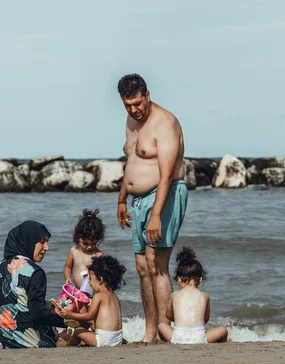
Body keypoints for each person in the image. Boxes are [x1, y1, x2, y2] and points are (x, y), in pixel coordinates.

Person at [116, 73, 188, 343]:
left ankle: (165, 330)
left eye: (138, 103)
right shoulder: (131, 121)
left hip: (164, 195)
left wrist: (156, 214)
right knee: (141, 266)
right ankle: (150, 333)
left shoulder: (165, 123)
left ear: (148, 95)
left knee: (156, 264)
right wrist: (122, 198)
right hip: (137, 200)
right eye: (127, 105)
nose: (134, 110)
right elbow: (132, 161)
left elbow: (167, 175)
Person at [0, 220, 67, 348]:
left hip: (2, 340)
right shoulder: (34, 271)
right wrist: (69, 321)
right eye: (42, 242)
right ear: (29, 241)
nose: (47, 248)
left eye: (47, 242)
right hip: (27, 342)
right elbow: (37, 314)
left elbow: (16, 300)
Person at [157, 247, 229, 344]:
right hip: (200, 338)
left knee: (161, 325)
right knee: (223, 330)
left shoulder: (174, 295)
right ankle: (221, 343)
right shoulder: (204, 296)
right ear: (200, 279)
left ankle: (167, 341)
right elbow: (205, 319)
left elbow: (168, 315)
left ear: (179, 279)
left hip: (178, 337)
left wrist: (180, 319)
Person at [59, 255, 126, 347]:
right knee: (92, 325)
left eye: (90, 278)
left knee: (78, 331)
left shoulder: (99, 296)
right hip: (117, 339)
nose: (89, 282)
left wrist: (69, 315)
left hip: (104, 341)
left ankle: (69, 344)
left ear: (100, 280)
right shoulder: (115, 297)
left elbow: (89, 316)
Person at [63, 209, 105, 291]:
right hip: (77, 290)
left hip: (93, 291)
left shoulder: (98, 254)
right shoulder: (73, 251)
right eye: (85, 243)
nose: (89, 247)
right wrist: (67, 278)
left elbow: (102, 275)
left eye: (93, 243)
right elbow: (68, 268)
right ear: (78, 238)